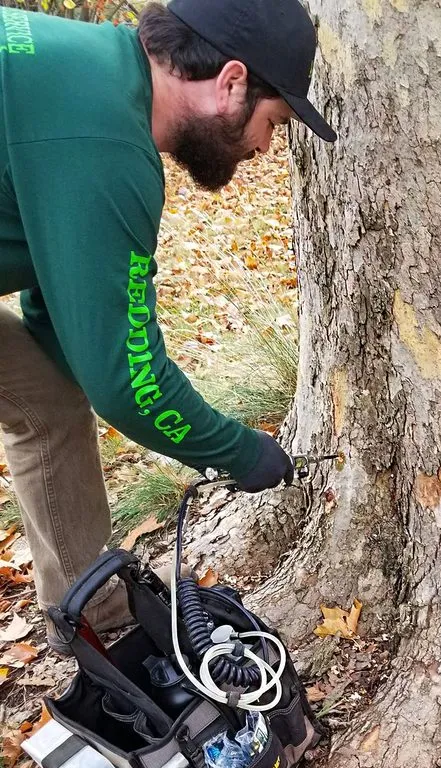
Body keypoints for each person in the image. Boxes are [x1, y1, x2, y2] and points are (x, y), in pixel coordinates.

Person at [0, 0, 336, 644]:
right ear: (231, 83)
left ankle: (91, 623)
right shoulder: (106, 145)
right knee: (49, 403)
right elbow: (130, 385)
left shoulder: (88, 69)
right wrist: (240, 452)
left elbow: (59, 305)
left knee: (47, 396)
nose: (266, 147)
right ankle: (102, 637)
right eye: (273, 122)